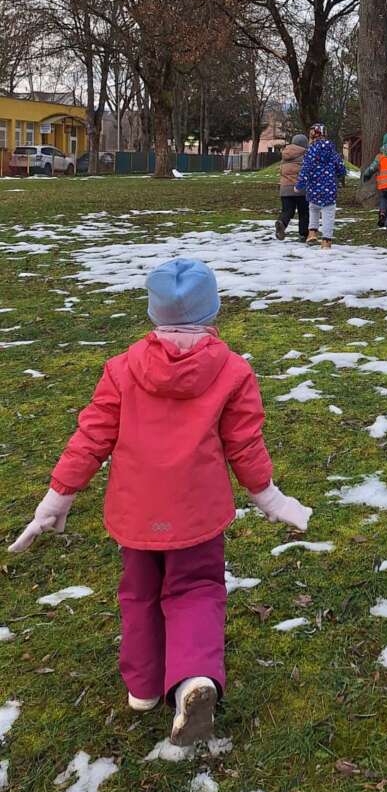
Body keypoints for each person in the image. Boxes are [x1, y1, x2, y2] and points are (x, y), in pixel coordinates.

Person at [8, 258, 312, 743]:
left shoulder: (122, 369)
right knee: (196, 589)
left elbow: (90, 438)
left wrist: (56, 498)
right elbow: (245, 446)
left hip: (136, 513)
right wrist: (270, 498)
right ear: (213, 309)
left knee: (139, 593)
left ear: (154, 313)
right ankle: (193, 678)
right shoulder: (233, 371)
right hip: (197, 513)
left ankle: (144, 686)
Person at [297, 123, 347, 250]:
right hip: (329, 188)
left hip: (313, 188)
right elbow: (341, 168)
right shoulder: (332, 150)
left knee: (313, 209)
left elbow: (305, 168)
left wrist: (299, 184)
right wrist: (339, 174)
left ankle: (312, 233)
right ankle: (326, 241)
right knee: (328, 214)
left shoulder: (310, 151)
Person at [274, 133, 309, 241]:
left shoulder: (285, 154)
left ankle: (282, 223)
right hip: (301, 189)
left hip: (285, 189)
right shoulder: (306, 155)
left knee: (287, 210)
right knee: (304, 212)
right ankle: (303, 234)